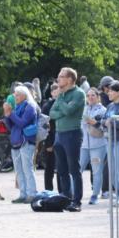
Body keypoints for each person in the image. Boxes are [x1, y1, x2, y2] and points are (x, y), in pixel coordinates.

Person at [49, 67, 86, 211]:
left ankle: (77, 201)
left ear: (70, 79)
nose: (58, 79)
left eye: (61, 76)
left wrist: (59, 99)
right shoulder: (62, 95)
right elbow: (52, 113)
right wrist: (62, 108)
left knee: (74, 169)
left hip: (72, 134)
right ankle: (66, 197)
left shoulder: (78, 93)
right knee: (62, 169)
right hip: (59, 134)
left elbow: (69, 111)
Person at [3, 85, 39, 203]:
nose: (15, 97)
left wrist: (11, 114)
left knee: (27, 168)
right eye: (15, 94)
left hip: (26, 142)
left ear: (25, 95)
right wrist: (7, 115)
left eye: (17, 94)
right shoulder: (17, 107)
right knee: (18, 170)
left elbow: (22, 123)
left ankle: (32, 194)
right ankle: (23, 194)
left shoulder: (30, 106)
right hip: (16, 142)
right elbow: (11, 126)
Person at [79, 88, 108, 205]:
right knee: (78, 169)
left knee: (97, 171)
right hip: (83, 145)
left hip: (98, 145)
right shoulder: (83, 109)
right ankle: (74, 193)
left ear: (98, 97)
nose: (90, 97)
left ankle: (95, 195)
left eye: (93, 95)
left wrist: (92, 122)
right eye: (88, 95)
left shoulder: (103, 110)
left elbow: (103, 127)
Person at [39, 82, 59, 191]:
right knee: (50, 167)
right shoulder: (47, 106)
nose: (57, 93)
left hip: (61, 138)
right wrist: (48, 143)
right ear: (51, 93)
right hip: (51, 139)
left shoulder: (63, 103)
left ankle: (62, 190)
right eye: (55, 91)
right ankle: (48, 189)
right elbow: (45, 126)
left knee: (61, 167)